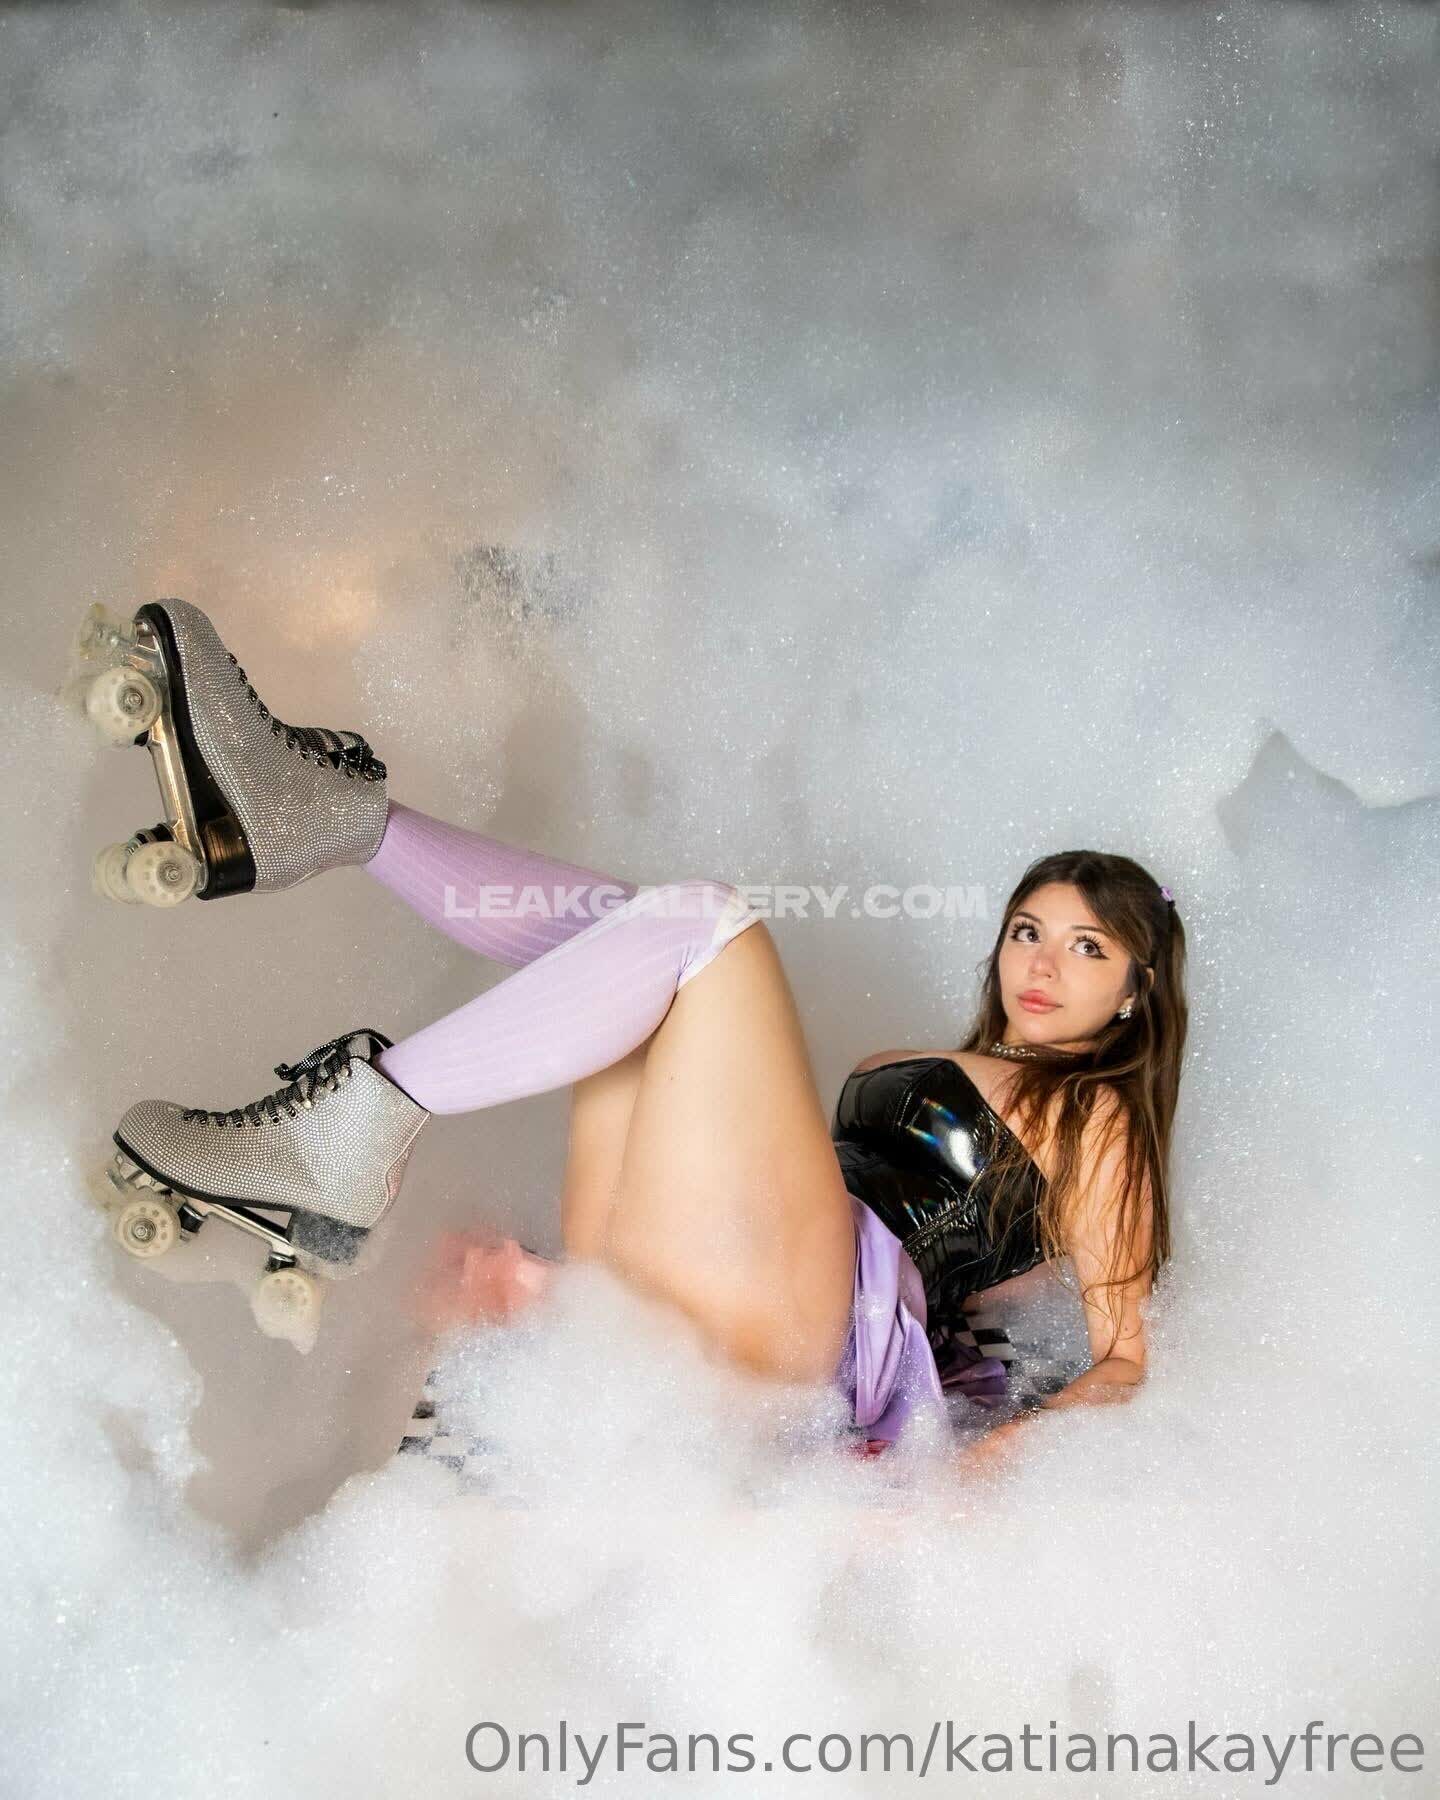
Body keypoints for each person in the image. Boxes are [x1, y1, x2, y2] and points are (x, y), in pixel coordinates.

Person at [82, 600, 1186, 1466]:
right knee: (633, 946)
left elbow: (1123, 1359)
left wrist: (982, 1470)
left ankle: (351, 1119)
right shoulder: (918, 1061)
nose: (1044, 964)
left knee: (703, 926)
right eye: (1029, 931)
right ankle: (327, 822)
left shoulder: (1099, 1119)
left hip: (801, 1328)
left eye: (1088, 948)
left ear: (1137, 991)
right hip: (682, 1274)